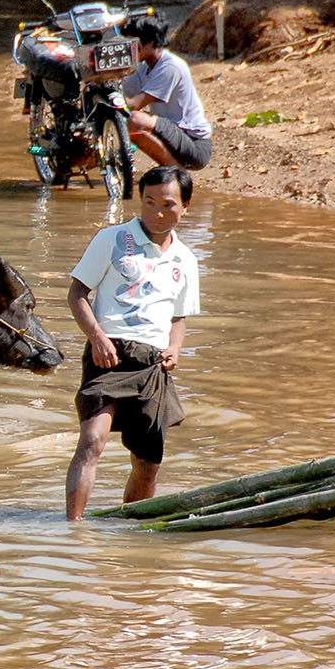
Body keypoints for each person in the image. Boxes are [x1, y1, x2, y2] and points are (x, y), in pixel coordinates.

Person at [65, 165, 200, 520]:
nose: (157, 212)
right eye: (149, 202)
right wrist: (97, 337)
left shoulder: (186, 260)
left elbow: (178, 319)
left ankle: (133, 529)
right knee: (92, 440)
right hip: (109, 354)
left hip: (153, 364)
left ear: (185, 207)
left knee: (147, 463)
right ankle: (73, 530)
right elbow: (77, 293)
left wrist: (175, 349)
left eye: (168, 205)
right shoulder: (111, 239)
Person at [122, 15, 213, 170]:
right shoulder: (144, 67)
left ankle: (178, 173)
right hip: (172, 132)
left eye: (134, 45)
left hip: (194, 142)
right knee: (128, 121)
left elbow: (134, 104)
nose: (129, 51)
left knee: (135, 120)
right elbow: (125, 91)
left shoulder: (170, 67)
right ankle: (170, 168)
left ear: (150, 42)